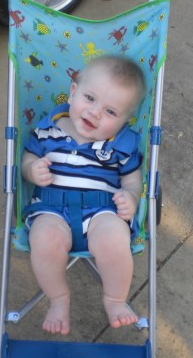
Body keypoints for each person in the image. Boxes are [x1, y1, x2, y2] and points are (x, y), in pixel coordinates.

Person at [21, 55, 145, 335]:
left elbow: (132, 177)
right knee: (44, 240)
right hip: (51, 209)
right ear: (73, 91)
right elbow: (28, 158)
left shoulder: (122, 143)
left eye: (111, 112)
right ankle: (58, 299)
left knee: (115, 241)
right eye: (89, 98)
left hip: (103, 212)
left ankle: (115, 299)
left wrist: (131, 196)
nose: (95, 113)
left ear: (125, 120)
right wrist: (31, 170)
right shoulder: (47, 129)